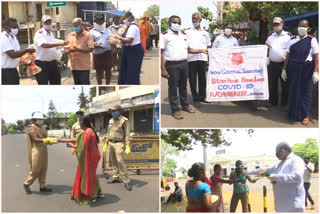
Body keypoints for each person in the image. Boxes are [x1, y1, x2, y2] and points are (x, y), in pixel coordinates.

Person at [248, 142, 306, 212]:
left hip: (293, 206)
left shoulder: (296, 160)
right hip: (281, 206)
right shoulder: (279, 164)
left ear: (283, 151)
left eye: (276, 153)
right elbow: (265, 170)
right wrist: (248, 172)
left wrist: (274, 177)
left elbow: (297, 177)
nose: (276, 155)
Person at [282, 19, 319, 125]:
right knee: (293, 91)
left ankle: (305, 115)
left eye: (304, 26)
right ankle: (293, 113)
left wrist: (316, 71)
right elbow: (287, 56)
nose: (301, 28)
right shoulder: (292, 40)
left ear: (308, 28)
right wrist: (284, 69)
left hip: (306, 69)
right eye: (300, 26)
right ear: (297, 27)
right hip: (293, 68)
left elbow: (316, 57)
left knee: (306, 92)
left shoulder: (312, 40)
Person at [160, 15, 196, 120]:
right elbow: (160, 53)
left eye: (179, 23)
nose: (177, 24)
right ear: (169, 23)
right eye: (175, 22)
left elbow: (189, 50)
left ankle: (185, 105)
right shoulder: (165, 36)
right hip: (172, 65)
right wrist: (163, 69)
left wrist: (203, 50)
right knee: (173, 89)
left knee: (183, 87)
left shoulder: (184, 35)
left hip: (184, 64)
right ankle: (175, 110)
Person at [69, 116, 103, 204]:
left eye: (79, 122)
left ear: (83, 123)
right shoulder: (88, 131)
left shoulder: (87, 133)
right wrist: (63, 140)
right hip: (92, 156)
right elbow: (77, 141)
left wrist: (71, 145)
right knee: (91, 175)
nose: (78, 124)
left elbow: (82, 147)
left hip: (90, 157)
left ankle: (90, 195)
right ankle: (97, 192)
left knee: (88, 175)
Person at [185, 13, 211, 107]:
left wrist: (209, 58)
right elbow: (186, 47)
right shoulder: (187, 32)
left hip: (203, 59)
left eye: (196, 18)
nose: (194, 20)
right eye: (193, 19)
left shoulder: (206, 33)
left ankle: (202, 97)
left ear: (200, 20)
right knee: (192, 79)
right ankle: (195, 99)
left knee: (202, 79)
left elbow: (208, 46)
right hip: (191, 59)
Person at [34, 15, 67, 85]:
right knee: (43, 84)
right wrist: (60, 43)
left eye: (49, 22)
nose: (48, 24)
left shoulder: (50, 33)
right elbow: (44, 45)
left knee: (56, 82)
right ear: (42, 23)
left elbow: (53, 43)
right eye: (46, 22)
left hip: (52, 63)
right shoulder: (39, 33)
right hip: (42, 64)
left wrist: (62, 46)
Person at [23, 112, 52, 194]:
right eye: (41, 119)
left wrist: (51, 141)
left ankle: (42, 186)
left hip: (43, 150)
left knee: (44, 168)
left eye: (42, 119)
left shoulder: (42, 128)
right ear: (36, 120)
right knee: (35, 169)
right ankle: (26, 183)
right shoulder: (32, 128)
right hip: (36, 150)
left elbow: (46, 138)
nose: (42, 121)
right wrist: (45, 140)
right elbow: (35, 139)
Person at [265, 17, 291, 107]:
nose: (276, 26)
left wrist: (285, 67)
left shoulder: (288, 36)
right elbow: (267, 49)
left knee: (285, 85)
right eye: (274, 24)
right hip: (272, 64)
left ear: (282, 24)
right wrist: (267, 58)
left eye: (278, 24)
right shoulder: (270, 37)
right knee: (272, 84)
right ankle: (273, 102)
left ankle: (284, 103)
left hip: (284, 65)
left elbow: (290, 51)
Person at [106, 104, 132, 191]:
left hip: (119, 143)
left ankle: (126, 181)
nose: (113, 113)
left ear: (119, 111)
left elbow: (127, 134)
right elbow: (109, 131)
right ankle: (115, 177)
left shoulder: (124, 120)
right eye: (112, 111)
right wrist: (106, 141)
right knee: (113, 161)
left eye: (115, 111)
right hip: (111, 143)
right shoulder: (110, 120)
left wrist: (128, 146)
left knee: (120, 161)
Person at [1, 17, 35, 84]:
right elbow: (13, 55)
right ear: (6, 27)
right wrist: (26, 50)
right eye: (13, 27)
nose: (16, 29)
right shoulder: (4, 38)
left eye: (17, 27)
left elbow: (17, 54)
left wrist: (25, 60)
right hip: (5, 73)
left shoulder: (13, 37)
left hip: (13, 71)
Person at [118, 11, 144, 85]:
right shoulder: (129, 27)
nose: (123, 21)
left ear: (129, 19)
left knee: (132, 72)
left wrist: (119, 38)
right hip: (129, 50)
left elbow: (129, 40)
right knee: (125, 71)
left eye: (123, 19)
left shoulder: (133, 27)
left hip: (134, 51)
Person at [66, 18, 94, 85]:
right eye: (74, 26)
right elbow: (68, 47)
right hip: (74, 65)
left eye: (76, 26)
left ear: (82, 25)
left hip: (84, 66)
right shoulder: (70, 35)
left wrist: (78, 49)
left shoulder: (88, 35)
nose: (75, 28)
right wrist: (65, 50)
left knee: (84, 84)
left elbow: (91, 49)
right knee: (77, 84)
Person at [89, 16, 113, 85]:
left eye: (101, 21)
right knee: (99, 71)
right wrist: (96, 45)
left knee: (108, 71)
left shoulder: (108, 31)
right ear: (95, 23)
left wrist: (114, 43)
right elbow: (89, 43)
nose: (100, 23)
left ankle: (107, 84)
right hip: (97, 54)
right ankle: (99, 84)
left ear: (104, 22)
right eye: (98, 21)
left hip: (108, 53)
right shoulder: (91, 32)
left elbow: (112, 39)